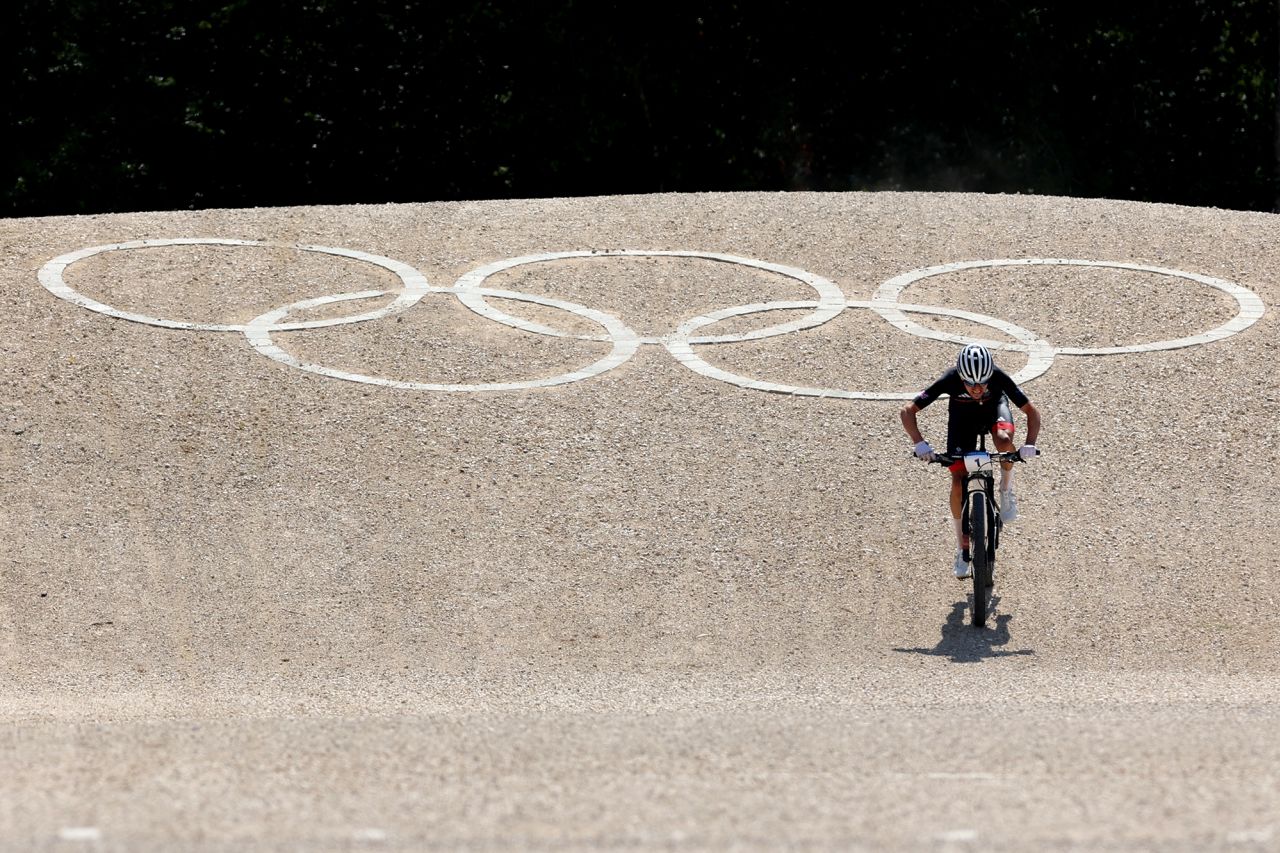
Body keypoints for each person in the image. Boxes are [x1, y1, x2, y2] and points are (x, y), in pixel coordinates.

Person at [900, 343, 1041, 579]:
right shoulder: (950, 378)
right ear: (960, 377)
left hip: (994, 411)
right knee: (957, 481)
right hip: (962, 421)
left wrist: (1029, 444)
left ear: (990, 376)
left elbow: (1031, 412)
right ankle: (961, 549)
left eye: (983, 383)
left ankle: (1006, 489)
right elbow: (907, 411)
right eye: (970, 384)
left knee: (1005, 442)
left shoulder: (998, 376)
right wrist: (919, 443)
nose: (977, 389)